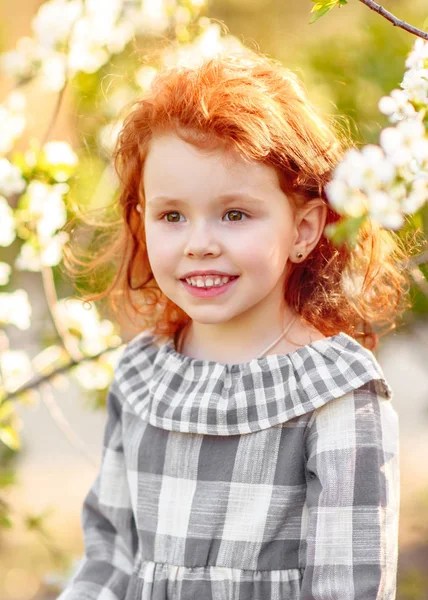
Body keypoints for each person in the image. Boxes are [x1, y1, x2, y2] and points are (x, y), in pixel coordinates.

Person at [59, 49, 411, 600]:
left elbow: (349, 587)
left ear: (304, 229)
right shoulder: (140, 377)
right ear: (142, 219)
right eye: (172, 216)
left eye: (235, 214)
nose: (200, 244)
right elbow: (109, 560)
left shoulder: (338, 395)